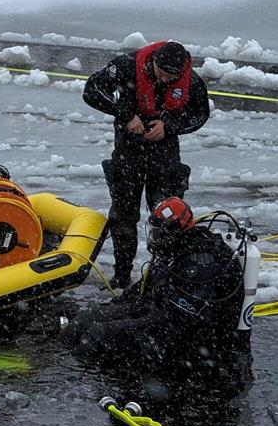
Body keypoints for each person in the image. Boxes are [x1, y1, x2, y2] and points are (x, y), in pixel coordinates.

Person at [61, 197, 250, 393]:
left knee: (98, 335)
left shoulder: (204, 262)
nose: (155, 237)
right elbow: (141, 289)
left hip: (190, 336)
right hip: (161, 313)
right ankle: (59, 364)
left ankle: (72, 384)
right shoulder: (174, 248)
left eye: (159, 232)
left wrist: (162, 285)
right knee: (85, 320)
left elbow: (193, 314)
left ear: (175, 229)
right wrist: (112, 307)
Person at [83, 40, 210, 289]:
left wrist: (169, 126)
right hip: (128, 151)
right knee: (123, 216)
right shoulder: (126, 66)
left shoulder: (191, 81)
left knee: (168, 217)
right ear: (153, 62)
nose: (163, 80)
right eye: (160, 73)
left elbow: (200, 115)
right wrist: (126, 115)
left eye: (170, 77)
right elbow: (91, 91)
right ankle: (121, 277)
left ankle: (163, 278)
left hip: (165, 155)